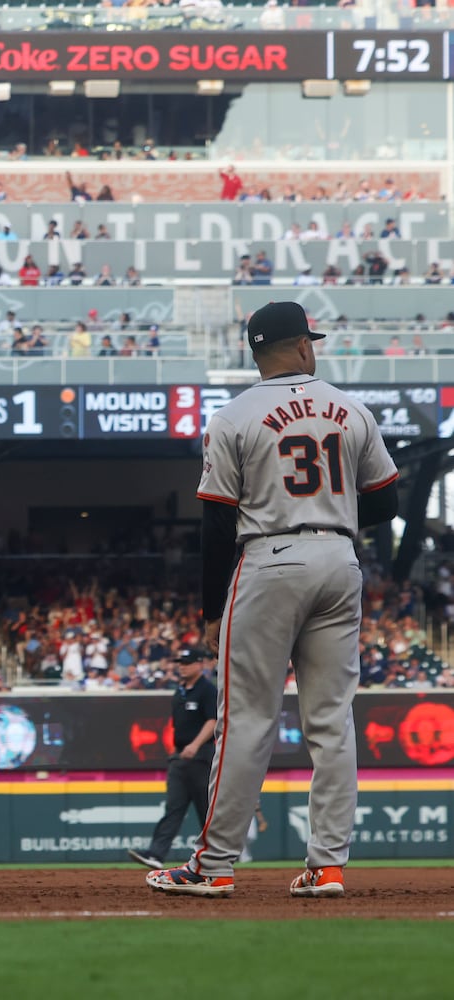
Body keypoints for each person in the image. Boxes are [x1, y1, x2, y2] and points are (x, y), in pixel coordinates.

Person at [146, 301, 399, 899]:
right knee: (331, 721)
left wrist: (211, 610)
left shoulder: (232, 416)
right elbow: (386, 504)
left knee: (249, 720)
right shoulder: (350, 408)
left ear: (257, 353)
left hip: (268, 557)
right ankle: (327, 866)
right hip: (339, 559)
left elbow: (214, 524)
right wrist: (330, 517)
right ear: (305, 346)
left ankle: (214, 867)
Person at [127, 647, 217, 870]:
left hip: (201, 756)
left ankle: (217, 856)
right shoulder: (180, 691)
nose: (182, 666)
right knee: (173, 808)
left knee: (206, 810)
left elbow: (213, 720)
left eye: (187, 662)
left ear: (200, 664)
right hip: (180, 758)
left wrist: (195, 745)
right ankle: (156, 854)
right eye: (180, 662)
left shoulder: (207, 690)